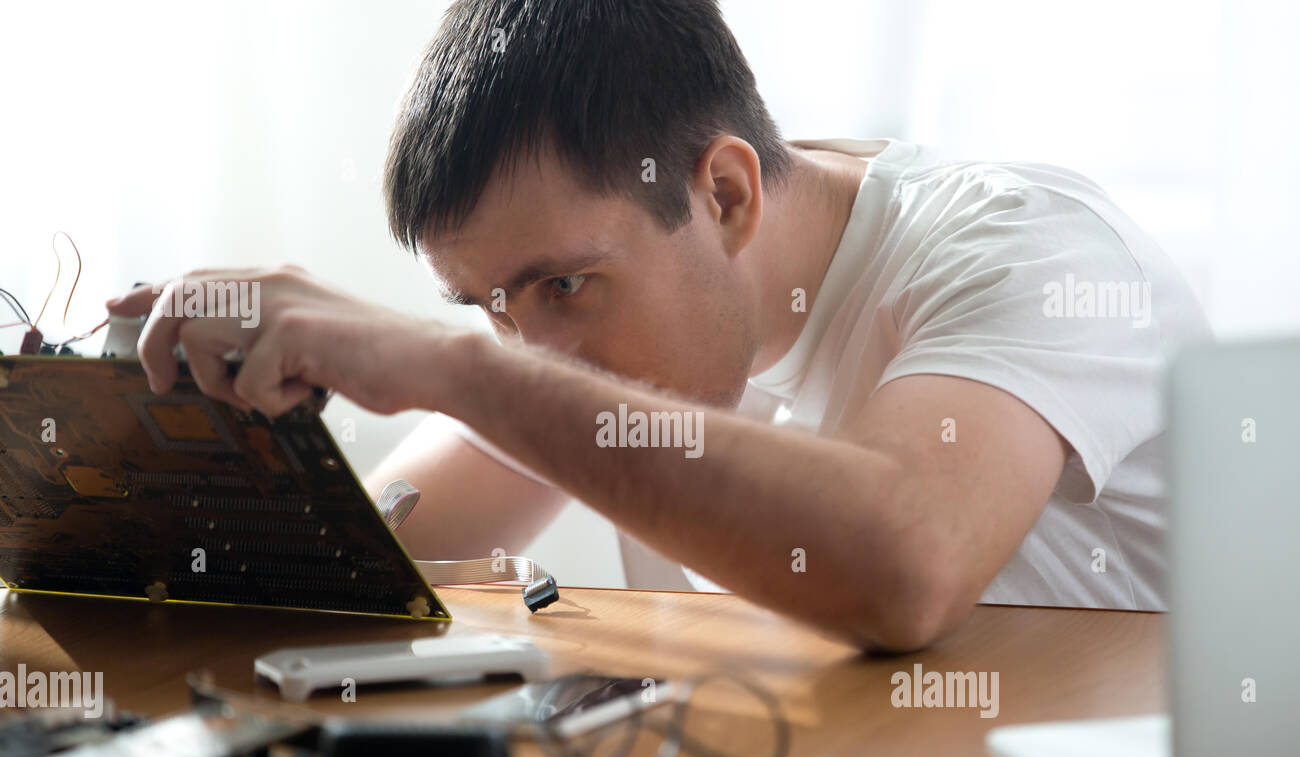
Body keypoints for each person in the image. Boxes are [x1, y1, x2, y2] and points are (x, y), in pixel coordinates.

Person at [107, 0, 1211, 651]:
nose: (530, 349)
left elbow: (902, 567)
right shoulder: (570, 318)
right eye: (485, 308)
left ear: (725, 195)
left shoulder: (1024, 248)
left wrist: (434, 360)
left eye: (562, 288)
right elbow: (374, 564)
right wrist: (185, 440)